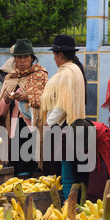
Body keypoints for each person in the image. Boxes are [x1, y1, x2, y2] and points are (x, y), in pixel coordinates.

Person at [40, 34, 87, 199]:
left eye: (54, 54)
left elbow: (62, 104)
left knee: (66, 172)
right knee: (69, 170)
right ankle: (72, 204)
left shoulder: (67, 73)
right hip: (73, 127)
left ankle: (69, 206)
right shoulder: (75, 69)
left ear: (61, 54)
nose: (53, 58)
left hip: (65, 127)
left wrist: (48, 122)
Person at [0, 39, 49, 176]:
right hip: (14, 130)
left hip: (33, 129)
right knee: (16, 169)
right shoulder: (9, 79)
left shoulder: (40, 76)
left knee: (32, 170)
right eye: (19, 57)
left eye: (26, 57)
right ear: (14, 60)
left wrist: (28, 97)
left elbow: (47, 102)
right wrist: (6, 99)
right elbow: (0, 113)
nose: (22, 61)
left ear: (32, 58)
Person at [67, 118, 110, 203]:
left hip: (99, 153)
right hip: (85, 156)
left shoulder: (103, 136)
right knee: (80, 174)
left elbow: (105, 166)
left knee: (98, 183)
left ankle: (96, 204)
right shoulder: (75, 134)